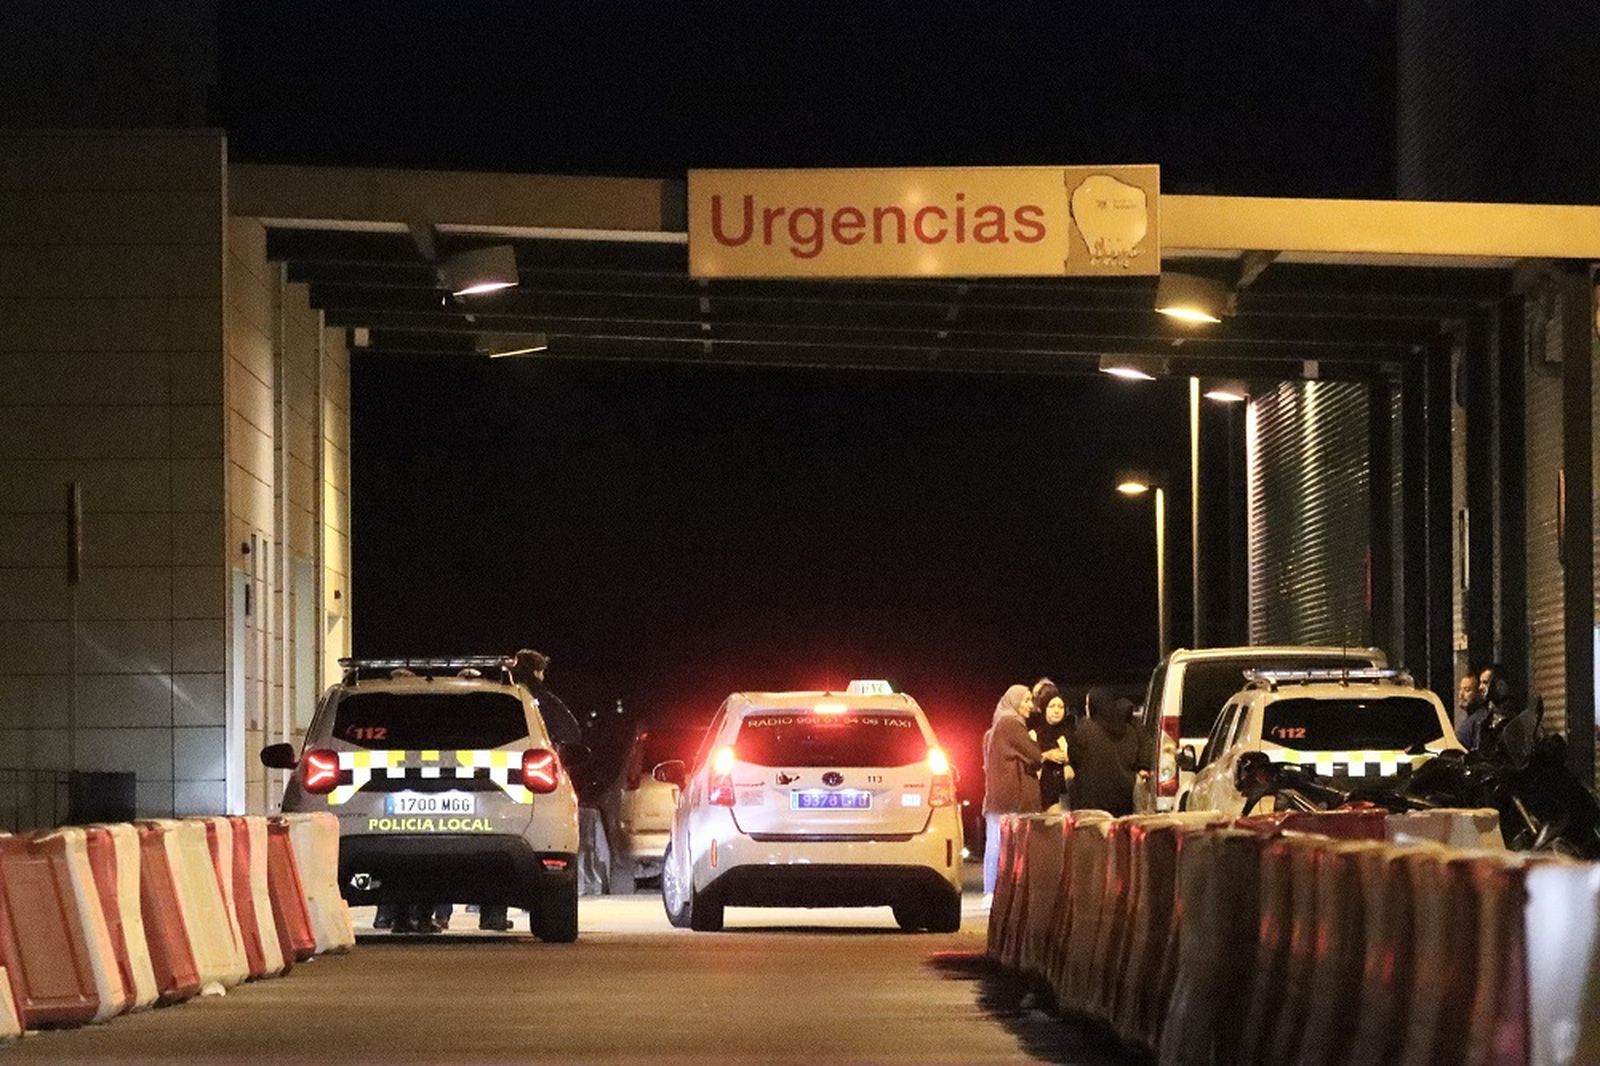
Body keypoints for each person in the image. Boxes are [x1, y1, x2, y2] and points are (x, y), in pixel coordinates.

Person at [981, 685, 1067, 898]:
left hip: (997, 799)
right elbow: (1034, 754)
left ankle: (992, 892)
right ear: (1014, 700)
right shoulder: (1011, 724)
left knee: (996, 844)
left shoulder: (997, 726)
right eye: (1026, 700)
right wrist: (1046, 754)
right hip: (1009, 799)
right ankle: (997, 892)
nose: (1031, 705)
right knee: (1007, 847)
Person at [1068, 688, 1144, 816]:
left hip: (1091, 801)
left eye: (1088, 704)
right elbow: (1134, 758)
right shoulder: (1129, 730)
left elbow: (1074, 757)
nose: (1086, 708)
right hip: (1123, 799)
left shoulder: (1085, 730)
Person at [1032, 683, 1074, 810]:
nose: (1057, 710)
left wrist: (1069, 758)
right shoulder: (1035, 734)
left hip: (1069, 792)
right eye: (1052, 706)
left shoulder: (1072, 732)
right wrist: (1045, 756)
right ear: (1044, 708)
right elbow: (1029, 762)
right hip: (1044, 794)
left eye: (1060, 707)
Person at [1454, 670, 1484, 740]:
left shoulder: (1480, 721)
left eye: (1467, 690)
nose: (1460, 694)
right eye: (1460, 689)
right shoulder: (1470, 719)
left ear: (1478, 693)